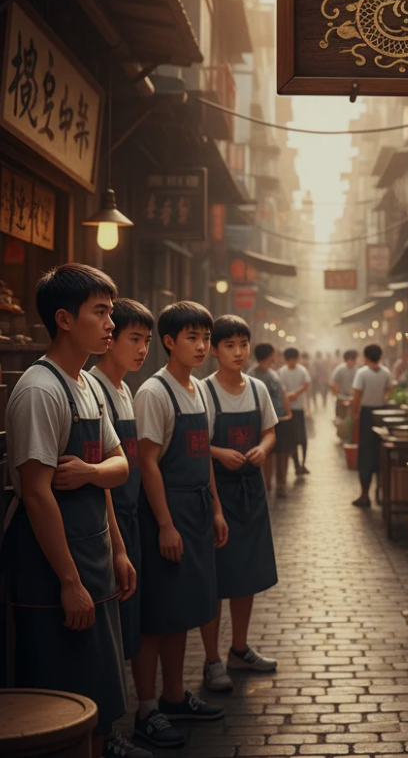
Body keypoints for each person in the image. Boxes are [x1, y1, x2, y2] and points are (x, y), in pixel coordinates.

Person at [2, 265, 134, 758]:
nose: (110, 325)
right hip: (52, 567)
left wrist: (117, 548)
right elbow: (36, 493)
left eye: (111, 312)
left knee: (97, 677)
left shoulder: (90, 385)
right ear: (63, 318)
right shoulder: (41, 389)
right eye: (100, 312)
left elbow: (118, 467)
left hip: (95, 552)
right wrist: (69, 580)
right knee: (58, 690)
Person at [132, 302, 226, 749]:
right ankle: (147, 707)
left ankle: (173, 696)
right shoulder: (154, 392)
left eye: (205, 338)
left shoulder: (200, 391)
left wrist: (216, 509)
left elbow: (203, 452)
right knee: (157, 614)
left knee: (182, 611)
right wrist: (166, 525)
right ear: (168, 342)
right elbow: (147, 463)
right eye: (192, 337)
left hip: (198, 510)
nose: (202, 346)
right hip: (166, 514)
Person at [91, 297, 157, 758]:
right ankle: (102, 733)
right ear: (109, 338)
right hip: (107, 527)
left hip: (132, 523)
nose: (141, 350)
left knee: (128, 629)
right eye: (134, 339)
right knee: (108, 633)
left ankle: (137, 715)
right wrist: (117, 543)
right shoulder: (94, 389)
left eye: (146, 341)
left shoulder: (125, 390)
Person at [199, 315, 279, 691]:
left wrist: (262, 450)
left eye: (243, 344)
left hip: (251, 491)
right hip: (218, 491)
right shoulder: (204, 391)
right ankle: (212, 660)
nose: (238, 352)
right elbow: (196, 443)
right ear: (214, 350)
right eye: (229, 345)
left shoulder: (258, 389)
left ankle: (240, 649)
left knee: (247, 574)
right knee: (216, 578)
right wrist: (219, 453)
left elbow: (269, 431)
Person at [351, 344, 393, 508]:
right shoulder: (386, 373)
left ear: (366, 357)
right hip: (382, 415)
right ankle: (379, 493)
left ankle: (364, 494)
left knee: (365, 455)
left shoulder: (362, 373)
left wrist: (354, 416)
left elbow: (356, 396)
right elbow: (389, 391)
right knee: (380, 453)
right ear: (380, 356)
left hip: (367, 416)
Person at [248, 341, 292, 495]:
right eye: (273, 353)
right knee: (267, 453)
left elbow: (282, 394)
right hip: (263, 419)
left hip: (280, 417)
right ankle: (266, 484)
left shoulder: (274, 373)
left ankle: (281, 484)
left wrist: (288, 412)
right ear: (269, 355)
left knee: (282, 452)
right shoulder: (252, 375)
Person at [278, 347, 312, 477]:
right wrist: (287, 395)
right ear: (286, 360)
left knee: (302, 437)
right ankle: (297, 464)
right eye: (290, 360)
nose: (292, 362)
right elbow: (280, 387)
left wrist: (297, 393)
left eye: (294, 360)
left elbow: (306, 384)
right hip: (287, 409)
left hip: (299, 408)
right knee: (291, 438)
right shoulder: (281, 371)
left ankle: (303, 463)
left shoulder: (302, 370)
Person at [330, 349, 359, 440]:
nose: (352, 362)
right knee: (340, 417)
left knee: (350, 417)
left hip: (352, 398)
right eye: (351, 360)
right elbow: (334, 383)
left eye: (354, 360)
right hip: (341, 397)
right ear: (346, 360)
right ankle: (341, 434)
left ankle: (348, 434)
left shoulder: (357, 371)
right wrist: (336, 395)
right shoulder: (340, 369)